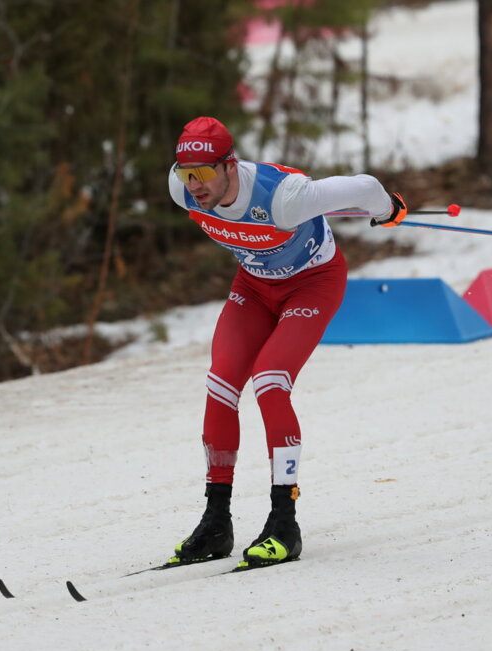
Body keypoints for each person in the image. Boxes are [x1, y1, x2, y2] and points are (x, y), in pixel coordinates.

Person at [166, 116, 407, 568]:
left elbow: (366, 186)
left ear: (230, 166)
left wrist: (386, 209)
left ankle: (284, 523)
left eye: (203, 174)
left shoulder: (286, 200)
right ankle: (216, 520)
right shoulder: (180, 190)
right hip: (254, 287)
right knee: (221, 383)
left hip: (311, 285)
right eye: (185, 173)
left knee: (270, 381)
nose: (194, 186)